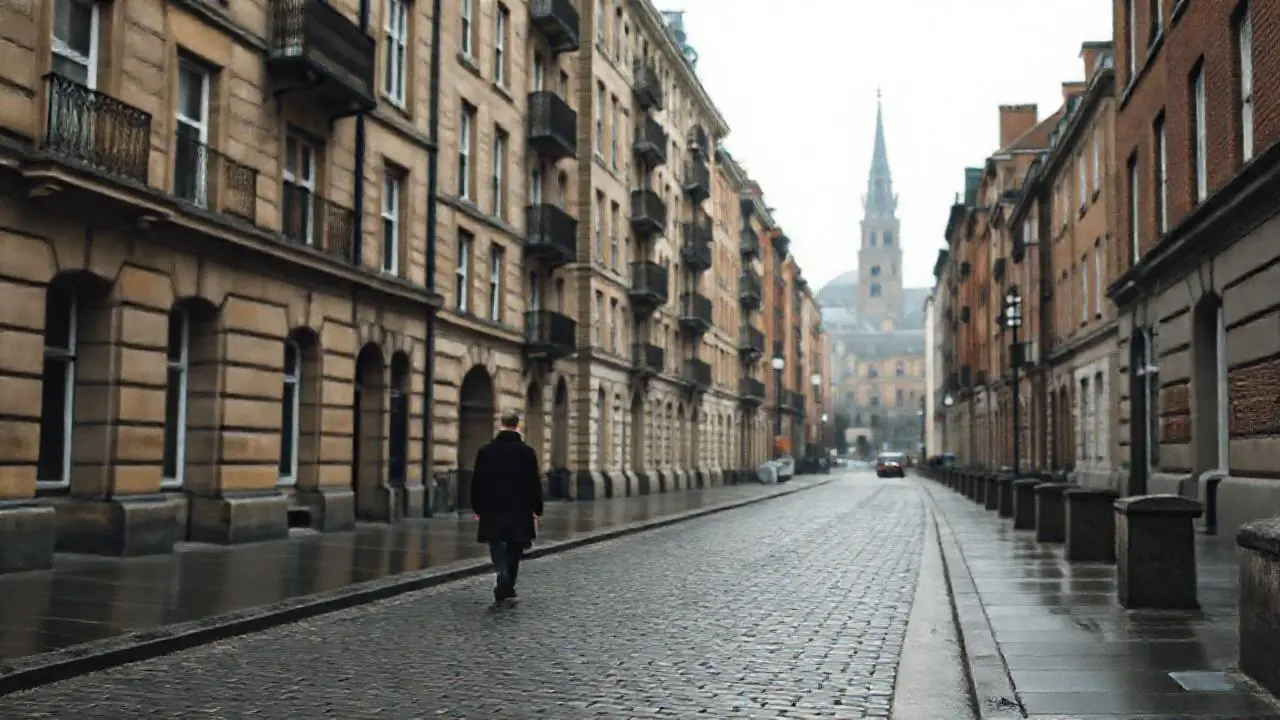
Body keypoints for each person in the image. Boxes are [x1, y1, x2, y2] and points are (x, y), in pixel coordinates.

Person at [470, 410, 544, 603]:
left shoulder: (486, 451)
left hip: (492, 505)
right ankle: (508, 580)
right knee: (515, 545)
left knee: (495, 542)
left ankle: (502, 575)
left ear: (501, 424)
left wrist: (476, 507)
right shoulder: (527, 452)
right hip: (519, 507)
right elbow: (534, 483)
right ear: (517, 425)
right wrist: (537, 508)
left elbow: (477, 481)